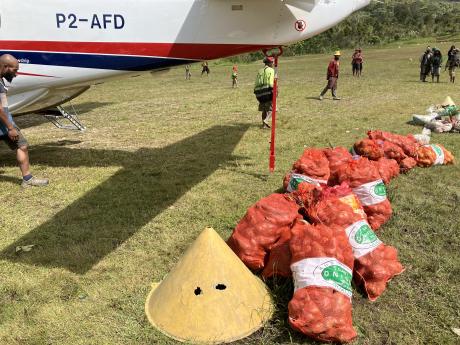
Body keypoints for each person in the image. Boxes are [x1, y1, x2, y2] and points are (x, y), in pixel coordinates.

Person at [0, 54, 49, 187]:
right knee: (21, 145)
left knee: (22, 146)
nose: (16, 74)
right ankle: (27, 179)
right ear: (5, 67)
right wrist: (10, 127)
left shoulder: (1, 79)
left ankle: (27, 179)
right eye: (15, 70)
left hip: (4, 122)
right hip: (4, 125)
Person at [254, 57, 275, 129]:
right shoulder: (271, 70)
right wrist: (274, 90)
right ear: (269, 63)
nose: (273, 63)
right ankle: (266, 120)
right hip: (267, 92)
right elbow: (270, 82)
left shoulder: (260, 70)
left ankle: (264, 125)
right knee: (273, 108)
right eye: (272, 62)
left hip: (258, 93)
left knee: (264, 110)